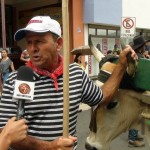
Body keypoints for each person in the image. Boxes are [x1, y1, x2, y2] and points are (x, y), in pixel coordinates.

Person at [0, 16, 137, 150]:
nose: (32, 48)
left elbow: (102, 97)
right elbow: (6, 134)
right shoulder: (15, 80)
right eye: (29, 42)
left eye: (39, 41)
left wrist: (121, 66)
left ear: (58, 44)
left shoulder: (75, 74)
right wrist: (50, 147)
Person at [127, 35, 148, 147]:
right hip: (134, 90)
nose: (145, 46)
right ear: (141, 46)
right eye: (144, 45)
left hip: (135, 89)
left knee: (137, 114)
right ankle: (132, 139)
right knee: (135, 115)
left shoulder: (137, 55)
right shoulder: (135, 57)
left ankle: (134, 134)